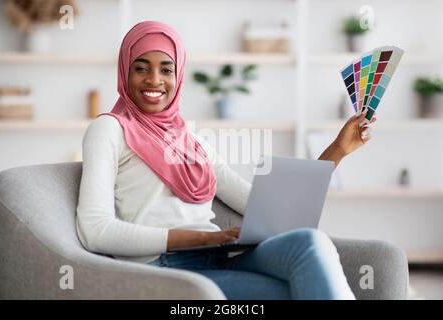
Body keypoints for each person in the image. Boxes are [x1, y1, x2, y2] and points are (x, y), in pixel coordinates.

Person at [76, 21, 375, 300]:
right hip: (167, 269)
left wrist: (338, 149)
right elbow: (95, 230)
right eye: (141, 68)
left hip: (219, 258)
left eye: (166, 70)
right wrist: (200, 239)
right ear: (124, 73)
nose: (155, 80)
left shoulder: (191, 141)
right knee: (298, 290)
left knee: (310, 242)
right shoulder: (109, 129)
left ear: (177, 77)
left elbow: (264, 208)